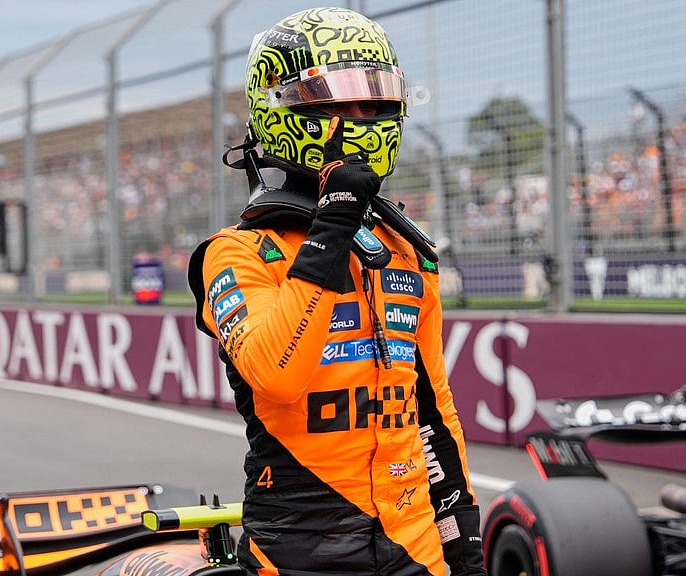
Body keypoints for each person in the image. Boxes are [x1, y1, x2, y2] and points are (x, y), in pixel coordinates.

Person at [187, 7, 486, 576]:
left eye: (375, 104)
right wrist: (331, 227)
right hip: (298, 550)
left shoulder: (405, 251)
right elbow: (277, 373)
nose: (362, 120)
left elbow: (430, 409)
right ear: (282, 108)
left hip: (413, 545)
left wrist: (461, 538)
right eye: (337, 103)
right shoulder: (235, 253)